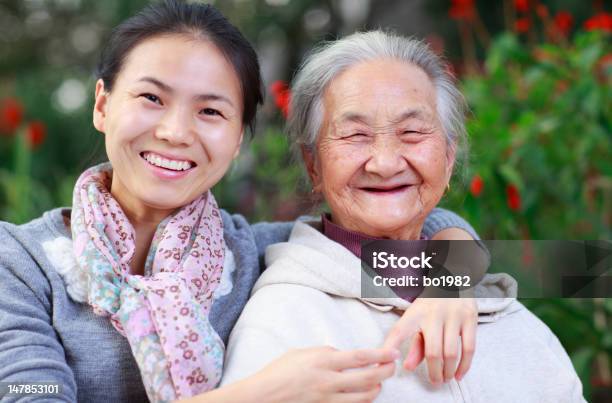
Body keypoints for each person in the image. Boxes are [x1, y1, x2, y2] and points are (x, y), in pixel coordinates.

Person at [0, 2, 480, 403]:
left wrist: (448, 284)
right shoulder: (21, 263)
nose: (175, 132)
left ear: (237, 140)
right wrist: (257, 395)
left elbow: (426, 220)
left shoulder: (259, 256)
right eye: (151, 97)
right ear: (103, 105)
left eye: (210, 111)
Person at [220, 31, 586, 402]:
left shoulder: (505, 313)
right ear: (313, 165)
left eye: (411, 132)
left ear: (448, 159)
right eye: (355, 135)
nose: (384, 162)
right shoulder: (284, 320)